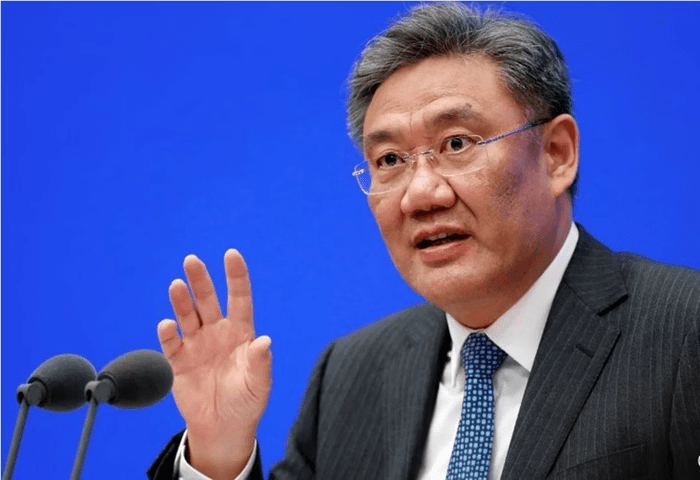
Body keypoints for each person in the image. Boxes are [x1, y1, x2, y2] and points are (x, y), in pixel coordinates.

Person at [148, 3, 700, 479]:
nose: (420, 194)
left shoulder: (683, 333)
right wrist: (219, 455)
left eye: (457, 143)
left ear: (556, 154)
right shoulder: (349, 376)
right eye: (389, 159)